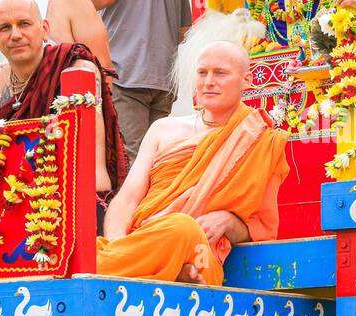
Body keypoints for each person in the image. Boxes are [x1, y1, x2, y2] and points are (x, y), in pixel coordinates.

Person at [97, 39, 289, 286]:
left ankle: (108, 267)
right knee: (87, 244)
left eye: (220, 73)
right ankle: (136, 265)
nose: (208, 82)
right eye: (202, 73)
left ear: (247, 80)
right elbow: (127, 199)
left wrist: (230, 222)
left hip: (200, 255)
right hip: (145, 240)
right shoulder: (163, 129)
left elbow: (262, 228)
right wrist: (118, 244)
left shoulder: (260, 140)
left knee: (183, 229)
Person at [0, 0, 126, 205]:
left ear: (45, 29)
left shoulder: (76, 69)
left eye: (24, 24)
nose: (16, 34)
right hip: (11, 199)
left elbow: (66, 148)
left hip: (77, 197)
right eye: (5, 28)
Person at [85, 0, 193, 166]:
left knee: (131, 163)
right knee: (158, 160)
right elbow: (184, 30)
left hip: (126, 73)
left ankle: (139, 208)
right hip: (164, 80)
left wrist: (65, 0)